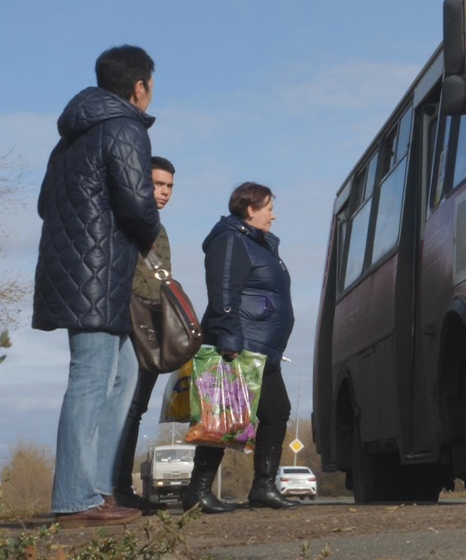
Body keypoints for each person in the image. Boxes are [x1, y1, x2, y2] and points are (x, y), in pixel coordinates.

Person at [33, 45, 162, 526]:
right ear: (140, 87)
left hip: (80, 267)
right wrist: (143, 235)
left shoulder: (69, 139)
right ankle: (73, 498)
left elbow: (46, 203)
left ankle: (99, 488)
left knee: (124, 374)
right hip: (98, 270)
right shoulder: (125, 127)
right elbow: (136, 203)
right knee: (90, 379)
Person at [186, 182, 297, 512]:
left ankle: (263, 487)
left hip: (263, 349)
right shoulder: (231, 240)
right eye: (268, 208)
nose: (273, 216)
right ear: (250, 209)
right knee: (222, 419)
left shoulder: (259, 244)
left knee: (276, 411)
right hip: (240, 345)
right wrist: (228, 335)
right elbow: (222, 290)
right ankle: (198, 490)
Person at [110, 155, 185, 513]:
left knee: (135, 409)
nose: (165, 192)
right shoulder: (125, 219)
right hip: (130, 323)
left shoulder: (158, 225)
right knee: (122, 408)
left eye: (169, 186)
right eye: (158, 184)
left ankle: (119, 487)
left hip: (151, 325)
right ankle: (111, 488)